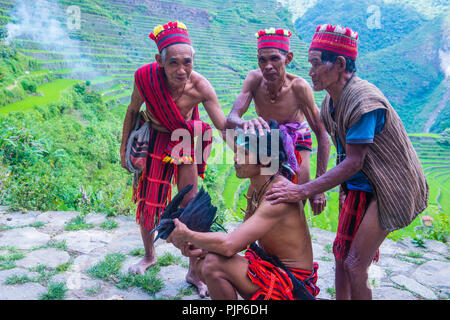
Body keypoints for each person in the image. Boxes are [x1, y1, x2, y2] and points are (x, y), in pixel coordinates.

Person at [266, 24, 429, 300]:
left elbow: (354, 161)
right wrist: (345, 191)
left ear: (340, 64)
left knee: (355, 264)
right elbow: (344, 153)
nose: (311, 71)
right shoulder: (331, 102)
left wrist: (305, 189)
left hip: (390, 188)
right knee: (341, 255)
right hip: (363, 187)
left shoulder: (363, 102)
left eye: (316, 64)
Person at [120, 21, 227, 297]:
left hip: (184, 139)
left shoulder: (201, 86)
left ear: (194, 59)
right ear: (160, 61)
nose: (181, 70)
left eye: (187, 62)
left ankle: (194, 271)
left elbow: (223, 126)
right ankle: (149, 255)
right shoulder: (145, 78)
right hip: (155, 137)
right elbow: (132, 111)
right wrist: (124, 150)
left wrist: (250, 149)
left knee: (191, 203)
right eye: (173, 63)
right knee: (148, 201)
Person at [167, 122, 320, 300]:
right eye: (237, 152)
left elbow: (229, 244)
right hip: (271, 266)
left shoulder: (277, 197)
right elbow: (241, 242)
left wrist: (188, 235)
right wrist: (202, 245)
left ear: (265, 159)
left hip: (291, 284)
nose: (235, 159)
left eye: (244, 153)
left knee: (212, 264)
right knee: (205, 261)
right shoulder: (256, 187)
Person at [226, 27, 331, 215]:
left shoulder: (299, 87)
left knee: (295, 202)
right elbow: (232, 117)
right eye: (262, 60)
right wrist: (244, 123)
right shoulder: (254, 79)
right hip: (269, 143)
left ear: (288, 58)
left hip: (297, 144)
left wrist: (318, 188)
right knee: (255, 202)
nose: (268, 66)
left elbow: (323, 135)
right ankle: (251, 242)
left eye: (275, 58)